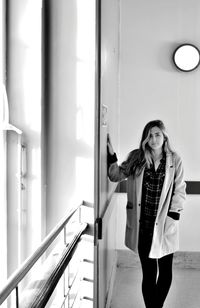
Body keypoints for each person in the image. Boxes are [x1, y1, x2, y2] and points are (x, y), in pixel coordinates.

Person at [107, 120, 186, 308]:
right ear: (145, 138)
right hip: (143, 226)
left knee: (165, 272)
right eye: (149, 135)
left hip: (165, 224)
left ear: (164, 136)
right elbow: (115, 175)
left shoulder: (175, 160)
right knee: (149, 274)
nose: (153, 139)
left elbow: (180, 190)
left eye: (157, 134)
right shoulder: (137, 157)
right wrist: (110, 154)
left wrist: (173, 216)